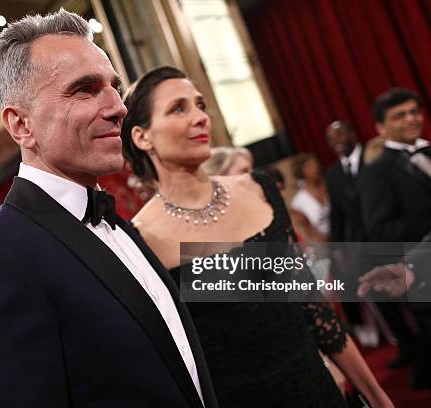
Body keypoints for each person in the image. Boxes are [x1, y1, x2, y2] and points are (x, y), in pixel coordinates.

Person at [0, 10, 217, 408]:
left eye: (114, 88)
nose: (118, 107)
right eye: (85, 90)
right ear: (21, 126)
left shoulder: (125, 229)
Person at [122, 66, 392, 407]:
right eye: (179, 108)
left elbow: (313, 309)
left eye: (200, 105)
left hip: (315, 386)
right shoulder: (140, 239)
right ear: (142, 136)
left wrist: (375, 394)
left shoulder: (259, 190)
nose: (200, 117)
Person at [359, 87, 431, 388]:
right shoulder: (377, 171)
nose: (411, 119)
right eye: (399, 115)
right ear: (380, 127)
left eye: (415, 111)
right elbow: (380, 231)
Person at [325, 121, 379, 348]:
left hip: (389, 237)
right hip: (361, 245)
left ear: (353, 133)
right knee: (380, 295)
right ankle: (405, 344)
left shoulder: (374, 156)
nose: (336, 141)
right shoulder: (333, 173)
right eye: (331, 138)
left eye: (341, 134)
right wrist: (336, 248)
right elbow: (337, 215)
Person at [290, 154, 330, 242]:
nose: (314, 168)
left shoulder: (330, 185)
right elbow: (309, 231)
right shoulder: (298, 202)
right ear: (300, 171)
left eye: (315, 164)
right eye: (309, 166)